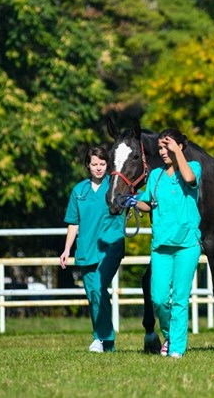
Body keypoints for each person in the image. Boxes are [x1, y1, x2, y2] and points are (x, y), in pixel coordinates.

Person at [124, 129, 202, 359]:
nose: (163, 152)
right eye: (160, 148)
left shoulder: (193, 167)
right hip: (161, 245)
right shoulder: (156, 175)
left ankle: (176, 348)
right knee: (158, 298)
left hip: (187, 244)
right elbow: (149, 203)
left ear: (179, 147)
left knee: (179, 297)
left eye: (167, 147)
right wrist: (132, 201)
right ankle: (169, 335)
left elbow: (190, 179)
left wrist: (177, 152)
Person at [60, 146, 125, 353]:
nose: (98, 168)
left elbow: (139, 197)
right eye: (94, 164)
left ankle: (101, 337)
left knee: (98, 287)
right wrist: (66, 249)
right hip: (86, 250)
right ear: (87, 166)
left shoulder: (116, 186)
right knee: (94, 295)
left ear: (108, 165)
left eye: (102, 164)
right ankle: (108, 343)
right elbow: (73, 223)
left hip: (110, 247)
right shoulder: (79, 191)